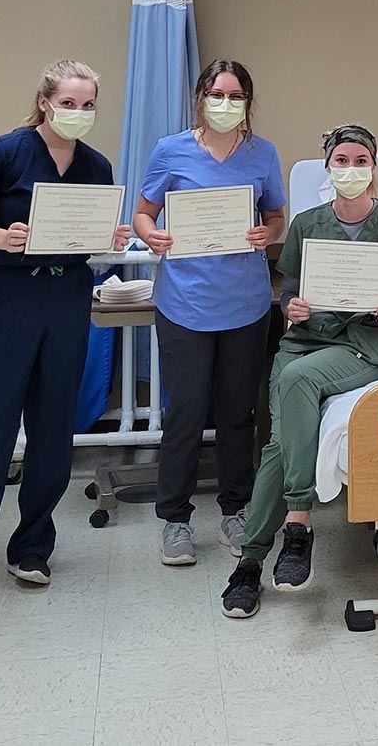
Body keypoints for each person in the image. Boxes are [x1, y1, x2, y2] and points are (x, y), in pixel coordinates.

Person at [0, 60, 131, 608]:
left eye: (88, 106)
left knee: (52, 428)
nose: (78, 114)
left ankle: (33, 547)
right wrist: (1, 236)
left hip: (65, 300)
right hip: (6, 297)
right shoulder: (3, 153)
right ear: (44, 102)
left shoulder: (95, 165)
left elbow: (88, 243)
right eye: (69, 103)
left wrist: (111, 236)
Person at [221, 124, 378, 619]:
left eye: (360, 161)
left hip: (360, 345)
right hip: (305, 339)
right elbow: (290, 292)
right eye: (341, 161)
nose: (351, 170)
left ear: (374, 167)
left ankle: (295, 522)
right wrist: (292, 308)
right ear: (327, 167)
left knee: (293, 382)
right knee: (278, 442)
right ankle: (257, 558)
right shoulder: (308, 222)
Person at [134, 60, 286, 565]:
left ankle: (236, 509)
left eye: (235, 94)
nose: (225, 103)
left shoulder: (262, 154)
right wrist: (149, 234)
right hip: (185, 304)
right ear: (201, 97)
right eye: (216, 93)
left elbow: (275, 216)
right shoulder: (170, 150)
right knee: (185, 415)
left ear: (248, 100)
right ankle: (175, 519)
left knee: (239, 415)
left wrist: (269, 233)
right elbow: (143, 213)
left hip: (245, 304)